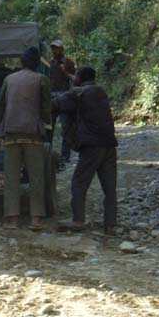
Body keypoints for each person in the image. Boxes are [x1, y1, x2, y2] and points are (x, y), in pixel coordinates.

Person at [53, 66, 119, 236]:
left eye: (76, 76)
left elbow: (56, 104)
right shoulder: (101, 92)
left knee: (79, 182)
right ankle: (110, 225)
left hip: (92, 146)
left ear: (80, 78)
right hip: (110, 145)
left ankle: (78, 220)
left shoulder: (78, 93)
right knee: (109, 187)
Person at [0, 46, 52, 231]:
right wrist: (46, 123)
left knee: (11, 178)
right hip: (33, 135)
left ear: (21, 62)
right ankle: (36, 219)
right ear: (37, 63)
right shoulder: (41, 79)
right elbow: (45, 108)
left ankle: (12, 219)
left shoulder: (9, 79)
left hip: (11, 134)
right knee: (36, 177)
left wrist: (1, 123)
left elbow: (0, 106)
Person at [49, 39, 76, 164]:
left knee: (66, 128)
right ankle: (47, 154)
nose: (55, 50)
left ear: (62, 49)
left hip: (65, 96)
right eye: (53, 48)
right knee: (49, 127)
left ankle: (65, 156)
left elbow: (75, 79)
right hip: (52, 97)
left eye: (57, 48)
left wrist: (65, 71)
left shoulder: (68, 62)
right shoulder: (49, 63)